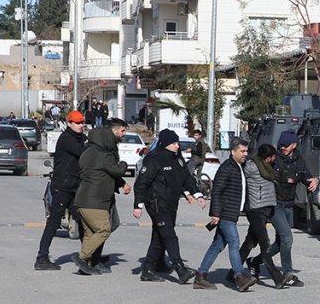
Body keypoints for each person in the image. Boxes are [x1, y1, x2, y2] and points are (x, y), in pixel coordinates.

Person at [133, 129, 205, 285]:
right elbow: (141, 183)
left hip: (171, 203)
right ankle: (180, 269)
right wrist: (138, 205)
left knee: (160, 236)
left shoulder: (176, 158)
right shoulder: (154, 158)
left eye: (177, 143)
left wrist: (196, 194)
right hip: (156, 203)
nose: (177, 146)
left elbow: (186, 178)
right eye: (174, 143)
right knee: (170, 236)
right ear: (165, 143)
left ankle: (149, 269)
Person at [194, 138, 256, 291]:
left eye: (246, 151)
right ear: (233, 152)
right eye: (242, 151)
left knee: (217, 245)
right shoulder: (227, 167)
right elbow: (217, 191)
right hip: (225, 213)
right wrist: (215, 213)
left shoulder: (239, 167)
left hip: (232, 213)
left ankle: (200, 276)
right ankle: (239, 276)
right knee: (234, 242)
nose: (245, 154)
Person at [252, 131, 317, 276]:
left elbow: (305, 177)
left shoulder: (299, 160)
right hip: (275, 205)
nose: (283, 148)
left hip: (289, 205)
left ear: (294, 145)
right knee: (287, 238)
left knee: (280, 243)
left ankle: (255, 262)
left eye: (286, 145)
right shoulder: (275, 159)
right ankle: (288, 273)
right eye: (281, 145)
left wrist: (313, 181)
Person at [72, 124, 131, 276]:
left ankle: (86, 264)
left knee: (90, 232)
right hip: (95, 201)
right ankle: (82, 257)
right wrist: (124, 163)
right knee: (104, 229)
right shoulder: (105, 155)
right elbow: (117, 170)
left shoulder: (87, 153)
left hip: (82, 199)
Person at [239, 144, 300, 288]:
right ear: (267, 158)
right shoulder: (252, 167)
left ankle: (233, 273)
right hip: (256, 210)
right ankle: (277, 278)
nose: (275, 159)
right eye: (273, 157)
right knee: (265, 245)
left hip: (266, 208)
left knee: (249, 243)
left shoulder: (266, 168)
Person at [35, 110, 88, 271]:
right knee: (54, 221)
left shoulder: (78, 138)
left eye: (82, 122)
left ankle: (88, 255)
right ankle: (42, 258)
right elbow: (82, 153)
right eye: (77, 123)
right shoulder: (66, 139)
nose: (81, 125)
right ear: (69, 123)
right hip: (62, 186)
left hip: (73, 186)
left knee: (81, 220)